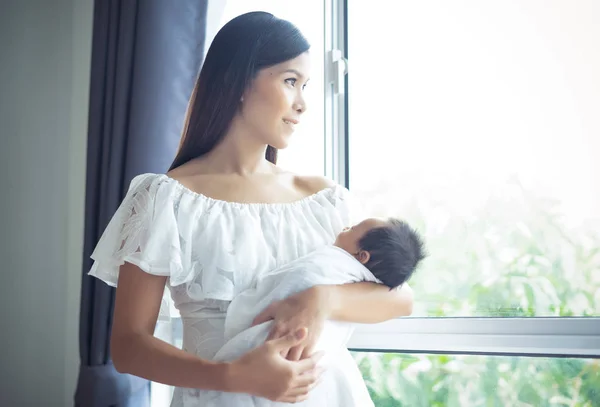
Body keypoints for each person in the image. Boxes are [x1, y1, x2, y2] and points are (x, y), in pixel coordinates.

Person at [88, 11, 414, 406]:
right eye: (290, 81)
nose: (302, 104)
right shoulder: (165, 199)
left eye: (306, 85)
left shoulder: (326, 200)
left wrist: (321, 300)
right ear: (239, 82)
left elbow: (400, 298)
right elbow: (128, 346)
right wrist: (233, 376)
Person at [193, 217, 425, 406]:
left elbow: (405, 300)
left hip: (311, 355)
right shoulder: (361, 266)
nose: (345, 226)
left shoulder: (334, 262)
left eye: (352, 228)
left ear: (362, 256)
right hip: (277, 370)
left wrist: (320, 296)